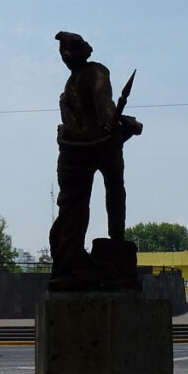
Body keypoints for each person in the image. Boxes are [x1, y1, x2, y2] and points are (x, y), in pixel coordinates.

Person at [49, 31, 142, 283]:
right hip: (84, 147)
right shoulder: (69, 87)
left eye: (66, 52)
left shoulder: (95, 72)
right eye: (62, 54)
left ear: (77, 53)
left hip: (99, 143)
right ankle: (73, 258)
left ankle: (116, 242)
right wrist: (118, 122)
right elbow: (82, 116)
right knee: (81, 201)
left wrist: (112, 121)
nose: (65, 57)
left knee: (112, 188)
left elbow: (104, 102)